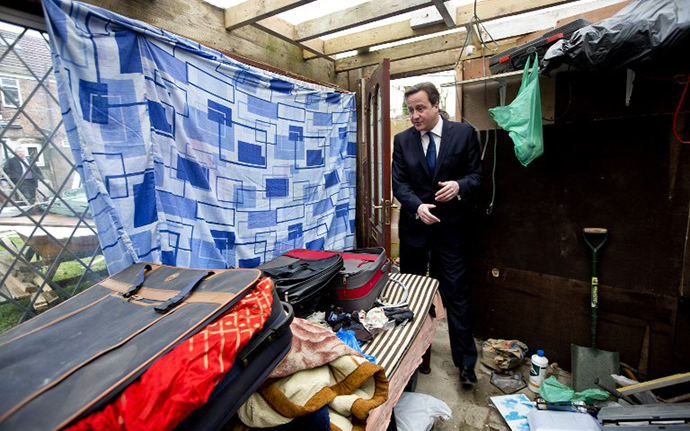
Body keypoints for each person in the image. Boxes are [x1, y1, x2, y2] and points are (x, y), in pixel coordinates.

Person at [392, 82, 483, 386]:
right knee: (413, 298)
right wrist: (417, 207)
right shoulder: (402, 140)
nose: (414, 115)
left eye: (420, 108)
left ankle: (466, 365)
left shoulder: (463, 134)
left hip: (450, 233)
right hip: (415, 232)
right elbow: (400, 184)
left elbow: (476, 176)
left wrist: (460, 186)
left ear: (435, 106)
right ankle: (411, 360)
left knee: (456, 296)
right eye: (410, 110)